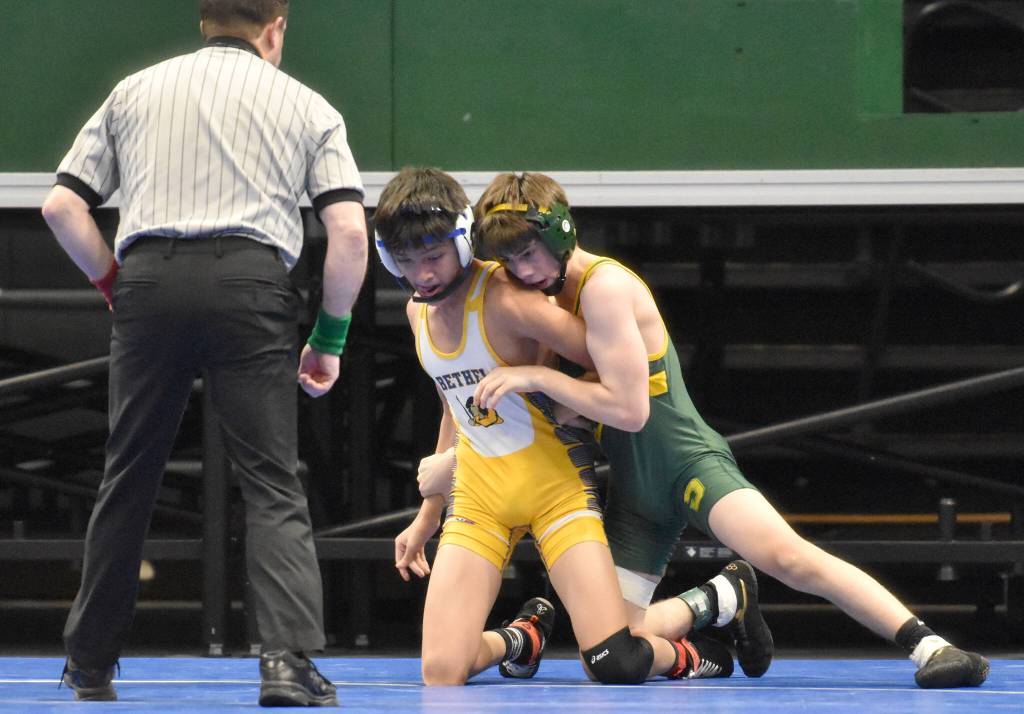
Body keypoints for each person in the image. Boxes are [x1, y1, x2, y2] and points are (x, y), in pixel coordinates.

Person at [461, 171, 990, 690]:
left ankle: (932, 646)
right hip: (636, 493)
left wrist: (538, 377)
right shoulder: (546, 305)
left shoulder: (604, 287)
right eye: (507, 261)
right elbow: (575, 409)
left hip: (685, 463)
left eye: (527, 254)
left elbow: (630, 411)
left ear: (561, 235)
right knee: (610, 653)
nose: (519, 271)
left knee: (789, 557)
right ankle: (719, 599)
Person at [40, 0, 366, 706]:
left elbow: (62, 207)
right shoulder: (307, 105)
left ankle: (89, 663)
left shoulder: (135, 91)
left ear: (204, 20)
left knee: (128, 474)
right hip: (251, 285)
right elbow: (347, 232)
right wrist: (329, 338)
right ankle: (285, 664)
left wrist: (114, 285)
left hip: (149, 279)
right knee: (272, 481)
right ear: (275, 27)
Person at [378, 167, 734, 686]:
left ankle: (704, 615)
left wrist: (551, 387)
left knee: (615, 661)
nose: (423, 275)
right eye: (406, 262)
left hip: (556, 488)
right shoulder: (418, 314)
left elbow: (607, 362)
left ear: (461, 239)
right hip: (480, 495)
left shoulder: (508, 298)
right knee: (441, 671)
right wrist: (429, 513)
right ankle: (523, 636)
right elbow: (454, 403)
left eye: (432, 257)